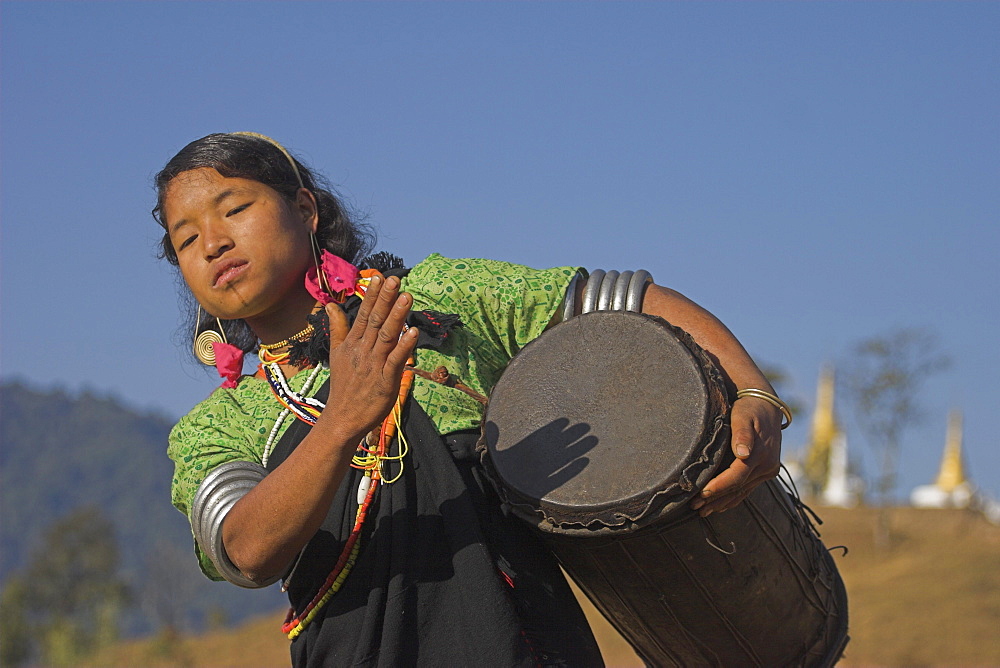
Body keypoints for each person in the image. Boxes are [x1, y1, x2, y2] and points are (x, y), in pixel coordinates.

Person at [155, 132, 787, 667]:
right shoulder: (220, 424)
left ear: (305, 208)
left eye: (233, 208)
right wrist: (343, 421)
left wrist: (753, 390)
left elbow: (623, 301)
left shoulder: (433, 302)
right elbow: (245, 553)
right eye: (186, 239)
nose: (212, 243)